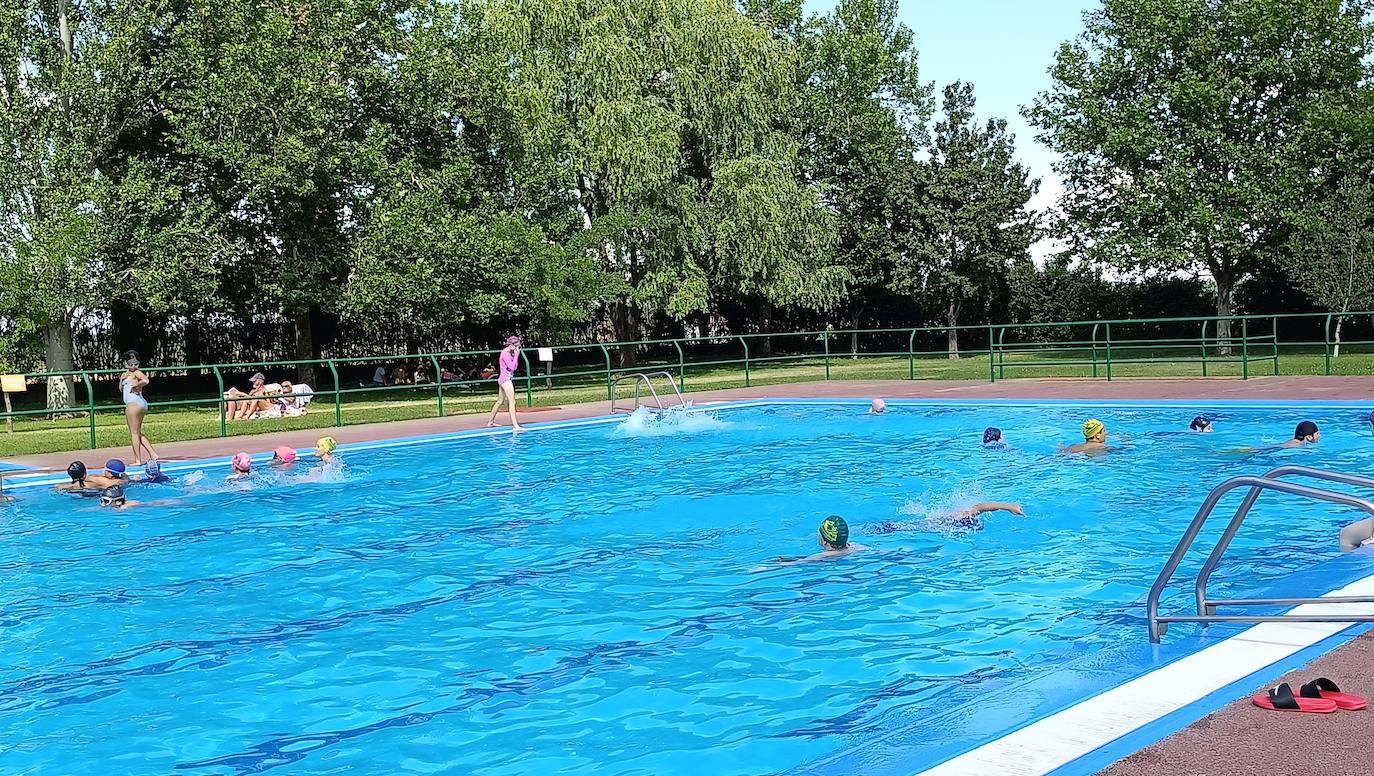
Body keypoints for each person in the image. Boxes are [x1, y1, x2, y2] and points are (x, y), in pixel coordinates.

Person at [752, 516, 869, 571]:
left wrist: (765, 567)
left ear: (823, 540)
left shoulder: (823, 555)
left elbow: (798, 563)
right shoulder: (855, 546)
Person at [119, 351, 160, 464]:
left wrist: (136, 385)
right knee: (137, 432)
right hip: (138, 403)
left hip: (134, 403)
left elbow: (146, 380)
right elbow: (121, 389)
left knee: (133, 433)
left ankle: (138, 460)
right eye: (131, 364)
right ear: (126, 363)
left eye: (136, 364)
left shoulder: (137, 373)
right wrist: (122, 380)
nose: (133, 366)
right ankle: (153, 453)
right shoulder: (125, 374)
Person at [486, 336, 526, 432]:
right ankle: (515, 426)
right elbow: (511, 367)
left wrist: (516, 355)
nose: (517, 348)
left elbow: (515, 367)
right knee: (512, 401)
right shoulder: (505, 353)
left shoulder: (511, 353)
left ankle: (490, 422)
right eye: (516, 346)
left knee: (500, 401)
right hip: (505, 380)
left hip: (506, 378)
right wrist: (516, 355)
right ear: (511, 345)